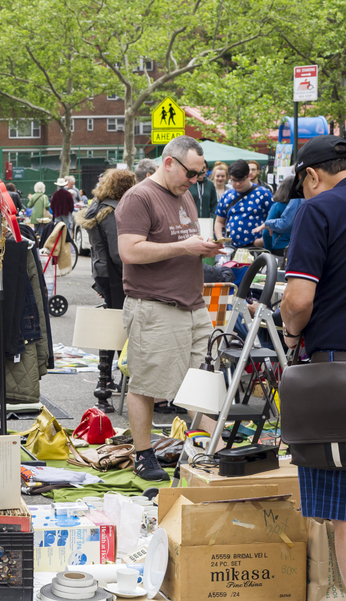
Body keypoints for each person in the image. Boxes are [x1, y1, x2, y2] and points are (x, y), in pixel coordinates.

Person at [278, 135, 346, 601]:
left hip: (344, 372)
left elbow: (298, 299)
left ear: (312, 176)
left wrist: (292, 334)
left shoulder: (321, 210)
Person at [116, 136, 223, 481]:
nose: (194, 181)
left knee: (203, 383)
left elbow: (184, 242)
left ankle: (215, 450)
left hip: (193, 305)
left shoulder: (185, 194)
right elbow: (130, 252)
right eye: (191, 173)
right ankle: (144, 454)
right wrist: (184, 247)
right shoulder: (139, 197)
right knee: (146, 384)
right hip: (155, 306)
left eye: (199, 175)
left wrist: (203, 249)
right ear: (168, 162)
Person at [79, 169, 135, 310]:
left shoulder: (98, 205)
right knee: (117, 318)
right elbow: (117, 253)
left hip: (102, 270)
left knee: (113, 314)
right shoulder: (111, 212)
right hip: (112, 273)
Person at [213, 159, 273, 247]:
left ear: (248, 176)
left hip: (255, 248)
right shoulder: (227, 195)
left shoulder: (264, 193)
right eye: (234, 180)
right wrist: (221, 240)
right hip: (231, 247)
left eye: (241, 180)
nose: (237, 184)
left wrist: (263, 240)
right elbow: (219, 221)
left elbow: (274, 220)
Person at [253, 176, 302, 256]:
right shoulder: (304, 205)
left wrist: (268, 251)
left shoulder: (277, 206)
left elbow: (266, 232)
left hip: (279, 248)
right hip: (299, 248)